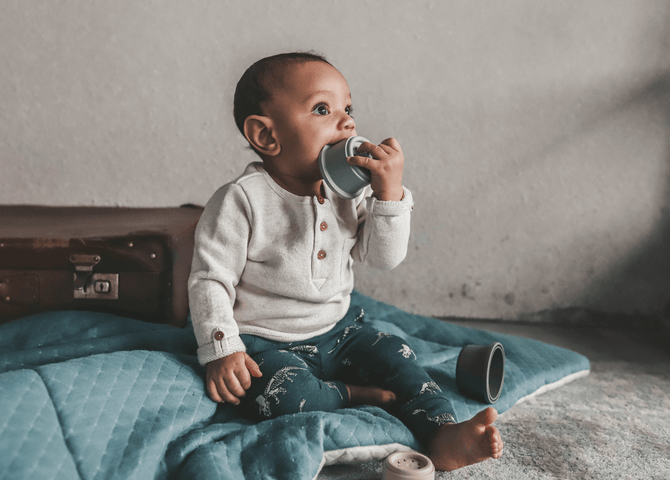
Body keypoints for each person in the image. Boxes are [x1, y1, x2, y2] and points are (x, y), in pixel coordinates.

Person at [188, 51, 503, 471]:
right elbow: (210, 280)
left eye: (348, 109)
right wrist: (222, 349)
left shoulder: (349, 196)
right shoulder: (242, 200)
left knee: (398, 355)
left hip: (340, 333)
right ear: (266, 135)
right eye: (323, 109)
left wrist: (388, 196)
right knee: (280, 396)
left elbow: (383, 258)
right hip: (265, 344)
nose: (348, 123)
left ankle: (443, 433)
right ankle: (351, 394)